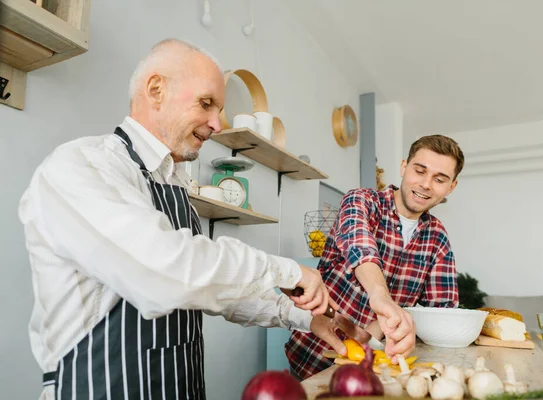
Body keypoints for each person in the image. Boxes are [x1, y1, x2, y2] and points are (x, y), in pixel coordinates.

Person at [18, 38, 340, 400]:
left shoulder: (172, 182)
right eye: (207, 104)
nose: (217, 124)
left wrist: (302, 316)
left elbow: (211, 288)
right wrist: (288, 271)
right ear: (156, 89)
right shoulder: (82, 167)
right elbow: (167, 273)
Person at [285, 134, 465, 379]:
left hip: (381, 369)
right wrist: (381, 295)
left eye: (439, 179)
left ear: (451, 187)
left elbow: (441, 311)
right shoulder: (362, 201)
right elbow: (360, 248)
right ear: (404, 167)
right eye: (419, 171)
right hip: (314, 358)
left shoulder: (438, 238)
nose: (426, 184)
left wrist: (386, 324)